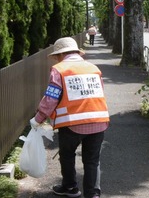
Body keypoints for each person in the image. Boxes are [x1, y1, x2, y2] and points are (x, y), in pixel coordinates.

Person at [30, 37, 109, 198]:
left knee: (67, 155)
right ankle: (93, 194)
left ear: (60, 55)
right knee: (92, 160)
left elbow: (51, 97)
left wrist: (38, 118)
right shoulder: (93, 68)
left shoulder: (59, 69)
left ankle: (70, 187)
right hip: (99, 120)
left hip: (72, 123)